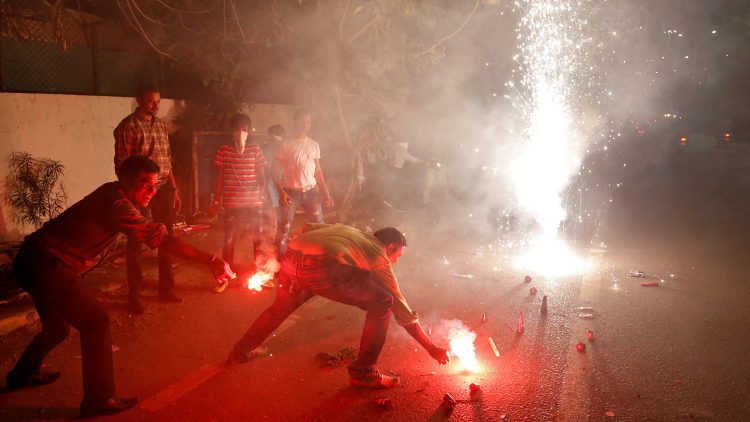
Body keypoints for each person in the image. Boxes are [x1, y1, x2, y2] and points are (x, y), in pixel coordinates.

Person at [5, 156, 235, 417]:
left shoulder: (111, 192)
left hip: (34, 259)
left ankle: (21, 375)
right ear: (125, 181)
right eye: (144, 184)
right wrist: (211, 260)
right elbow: (161, 240)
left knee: (57, 327)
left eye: (155, 184)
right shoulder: (117, 204)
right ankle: (99, 400)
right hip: (48, 264)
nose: (152, 190)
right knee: (96, 320)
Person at [228, 224, 450, 388]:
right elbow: (401, 307)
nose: (396, 261)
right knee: (384, 301)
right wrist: (431, 347)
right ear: (390, 247)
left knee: (279, 308)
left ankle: (241, 350)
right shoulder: (378, 255)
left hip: (291, 259)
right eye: (398, 256)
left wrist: (299, 267)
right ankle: (363, 372)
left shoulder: (350, 231)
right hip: (322, 267)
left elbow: (308, 227)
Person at [114, 84, 182, 313]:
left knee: (166, 235)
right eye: (151, 101)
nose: (156, 105)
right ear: (139, 100)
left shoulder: (161, 124)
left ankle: (167, 288)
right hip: (140, 191)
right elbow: (122, 164)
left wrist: (174, 189)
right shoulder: (128, 126)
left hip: (163, 188)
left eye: (158, 101)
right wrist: (129, 195)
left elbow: (167, 160)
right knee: (136, 241)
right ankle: (135, 295)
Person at [212, 113, 266, 281]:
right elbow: (219, 178)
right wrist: (216, 201)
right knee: (229, 239)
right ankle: (226, 274)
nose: (240, 132)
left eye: (244, 129)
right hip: (231, 202)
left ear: (249, 131)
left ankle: (261, 273)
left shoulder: (255, 149)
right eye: (237, 129)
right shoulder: (224, 150)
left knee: (257, 238)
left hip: (252, 202)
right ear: (231, 131)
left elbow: (262, 177)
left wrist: (261, 192)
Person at [273, 109, 334, 256]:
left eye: (308, 122)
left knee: (319, 228)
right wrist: (281, 193)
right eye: (301, 121)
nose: (305, 125)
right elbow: (274, 172)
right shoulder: (285, 144)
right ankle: (278, 265)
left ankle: (320, 260)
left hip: (311, 192)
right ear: (295, 122)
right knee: (284, 229)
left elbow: (318, 172)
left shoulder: (314, 145)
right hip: (290, 192)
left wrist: (326, 194)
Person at [259, 124, 285, 246]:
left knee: (269, 215)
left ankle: (269, 243)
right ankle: (274, 244)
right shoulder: (284, 146)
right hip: (279, 185)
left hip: (271, 184)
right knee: (276, 216)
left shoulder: (264, 146)